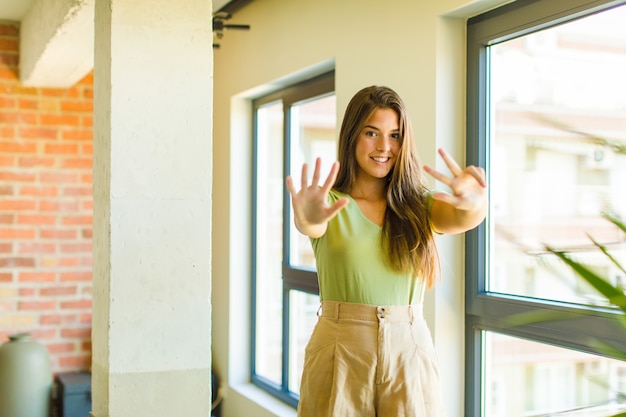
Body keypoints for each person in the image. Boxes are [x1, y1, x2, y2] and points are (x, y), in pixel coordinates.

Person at [286, 85, 488, 417]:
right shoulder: (330, 205)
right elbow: (311, 225)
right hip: (340, 349)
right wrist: (306, 218)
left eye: (395, 135)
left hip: (409, 350)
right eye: (372, 133)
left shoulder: (419, 207)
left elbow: (463, 217)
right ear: (352, 136)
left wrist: (476, 203)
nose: (384, 147)